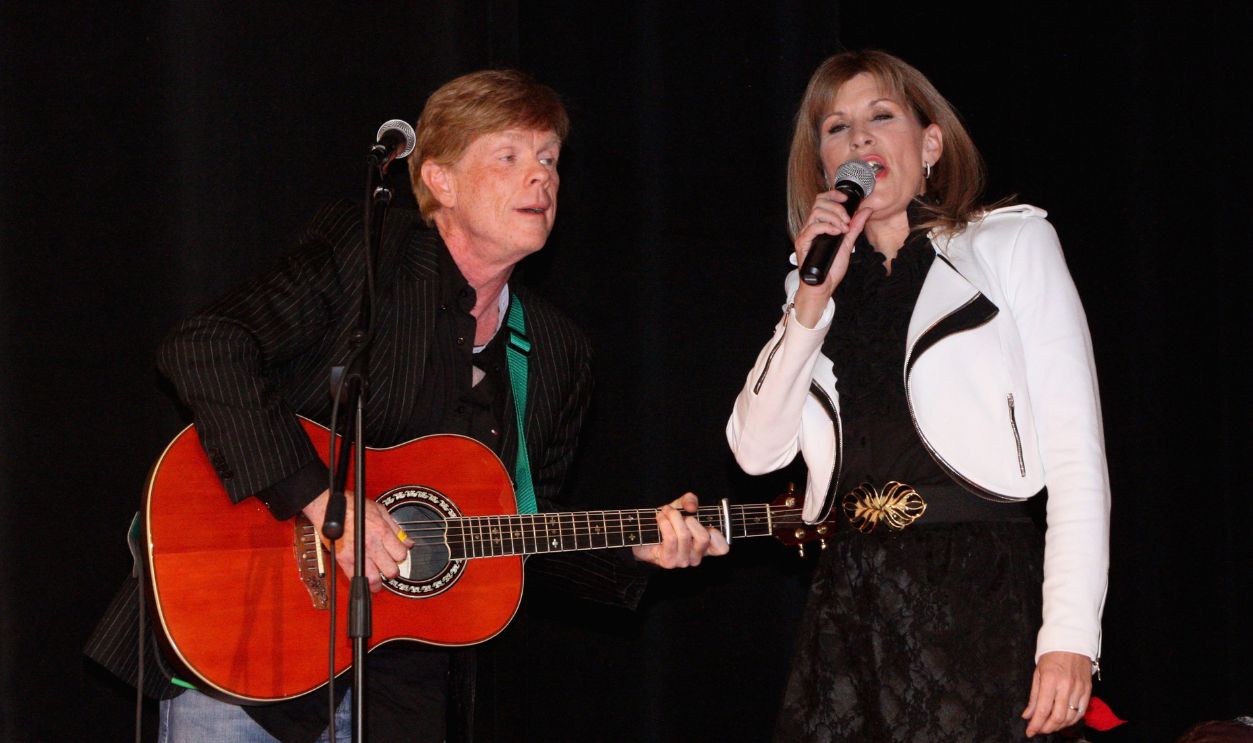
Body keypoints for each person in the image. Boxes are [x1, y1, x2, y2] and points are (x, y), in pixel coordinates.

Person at [88, 69, 728, 742]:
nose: (540, 177)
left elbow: (515, 534)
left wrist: (635, 550)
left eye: (548, 158)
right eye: (509, 156)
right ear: (441, 181)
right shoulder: (369, 257)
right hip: (248, 650)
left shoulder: (557, 352)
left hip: (405, 694)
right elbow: (203, 346)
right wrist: (324, 501)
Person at [726, 50, 1110, 741]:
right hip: (851, 596)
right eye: (837, 128)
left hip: (979, 587)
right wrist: (810, 298)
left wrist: (1069, 637)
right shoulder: (810, 289)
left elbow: (1077, 456)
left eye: (881, 117)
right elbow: (755, 452)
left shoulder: (1011, 244)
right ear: (822, 164)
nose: (860, 140)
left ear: (929, 144)